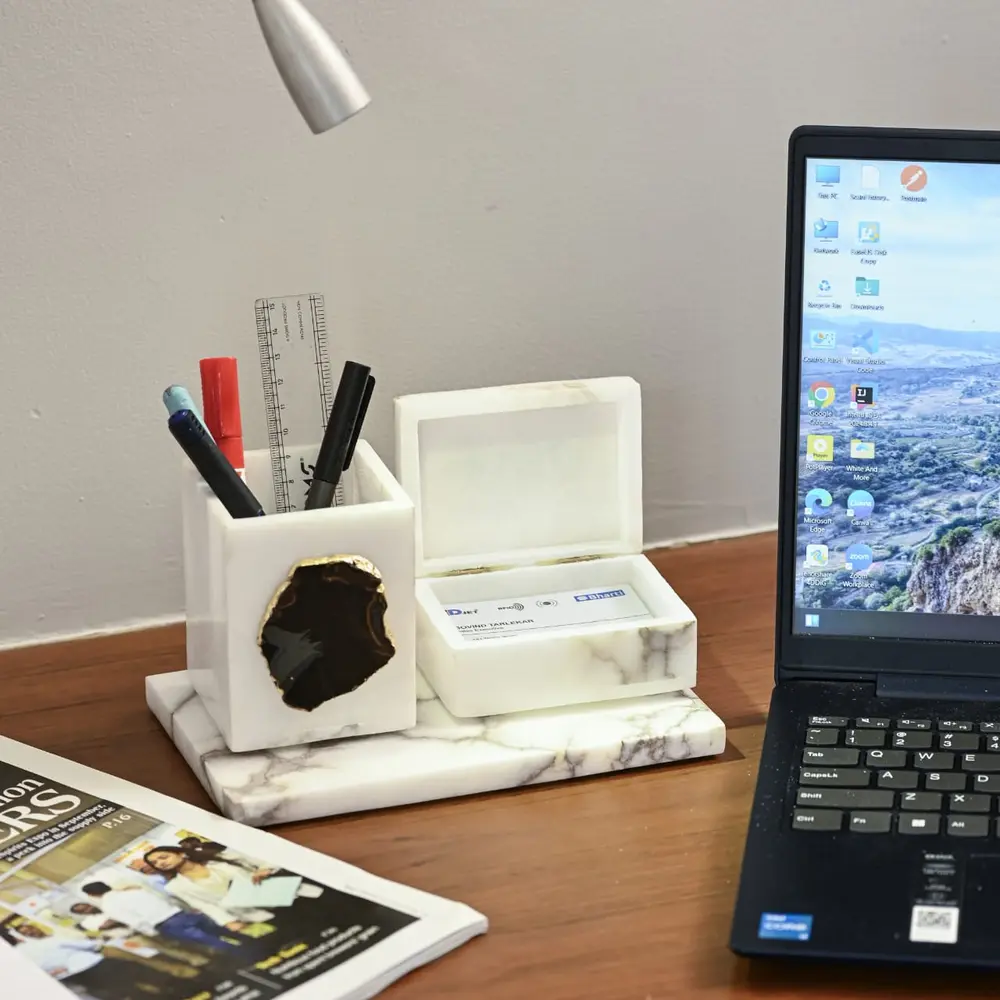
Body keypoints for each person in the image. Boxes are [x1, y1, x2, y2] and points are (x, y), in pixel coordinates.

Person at [144, 846, 278, 932]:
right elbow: (205, 905)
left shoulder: (220, 858)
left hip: (276, 893)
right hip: (254, 911)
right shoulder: (175, 886)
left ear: (181, 853)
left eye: (164, 857)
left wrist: (265, 869)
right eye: (155, 863)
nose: (161, 863)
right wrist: (228, 921)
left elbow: (263, 860)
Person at [78, 882, 242, 952]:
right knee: (225, 932)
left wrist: (153, 933)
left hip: (166, 924)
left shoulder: (109, 906)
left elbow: (135, 921)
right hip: (180, 913)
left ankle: (247, 956)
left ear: (92, 895)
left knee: (213, 942)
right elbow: (162, 898)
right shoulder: (134, 890)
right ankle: (253, 943)